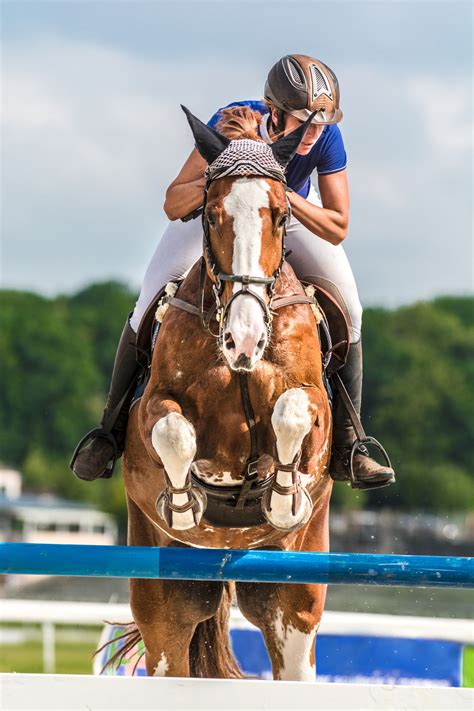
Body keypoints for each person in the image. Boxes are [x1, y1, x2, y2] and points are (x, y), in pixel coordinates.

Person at [71, 54, 395, 491]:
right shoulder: (229, 121)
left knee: (351, 308)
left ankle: (350, 446)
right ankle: (108, 433)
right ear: (273, 110)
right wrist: (229, 178)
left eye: (320, 123)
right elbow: (173, 202)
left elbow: (338, 225)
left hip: (284, 213)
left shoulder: (327, 137)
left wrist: (276, 190)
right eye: (303, 121)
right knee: (148, 298)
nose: (314, 132)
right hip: (222, 210)